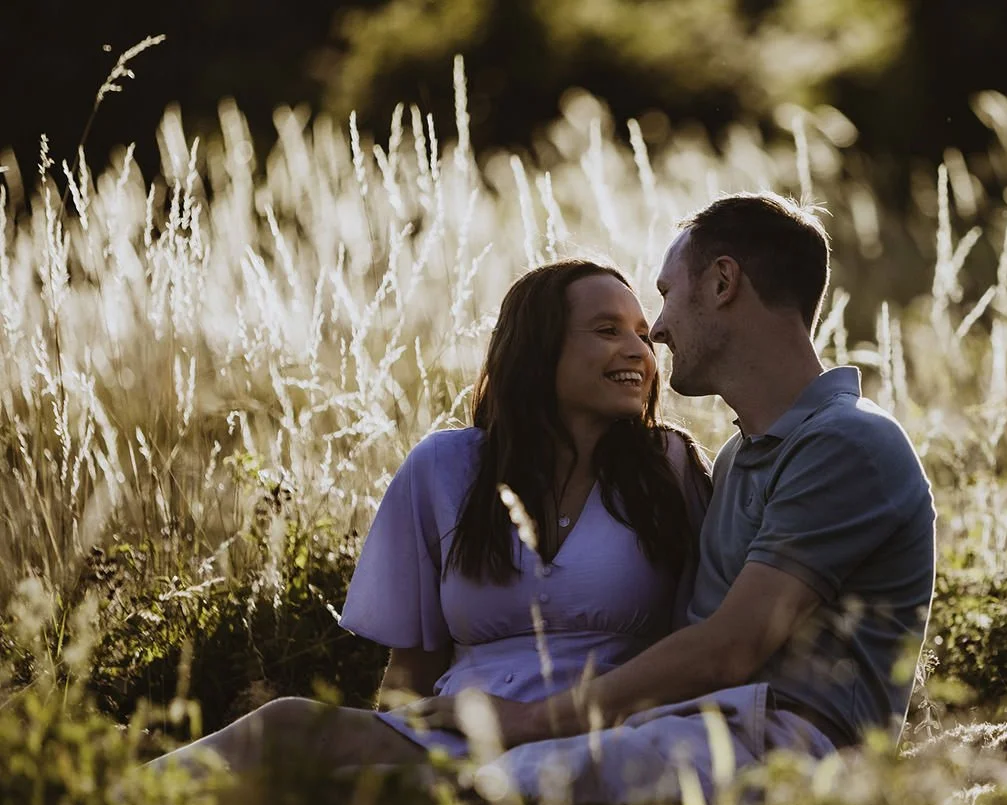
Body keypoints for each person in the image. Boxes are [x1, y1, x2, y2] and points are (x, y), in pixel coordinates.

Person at [146, 258, 710, 776]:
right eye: (608, 331)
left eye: (642, 333)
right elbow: (410, 673)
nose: (640, 349)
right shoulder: (444, 467)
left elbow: (703, 640)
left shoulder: (671, 467)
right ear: (539, 349)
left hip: (607, 736)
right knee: (284, 727)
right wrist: (388, 760)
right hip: (456, 737)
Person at [465, 193, 937, 805]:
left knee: (494, 793)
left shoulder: (849, 442)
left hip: (786, 743)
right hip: (691, 729)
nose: (656, 332)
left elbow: (730, 648)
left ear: (722, 282)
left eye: (665, 295)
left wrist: (533, 721)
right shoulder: (741, 457)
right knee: (313, 731)